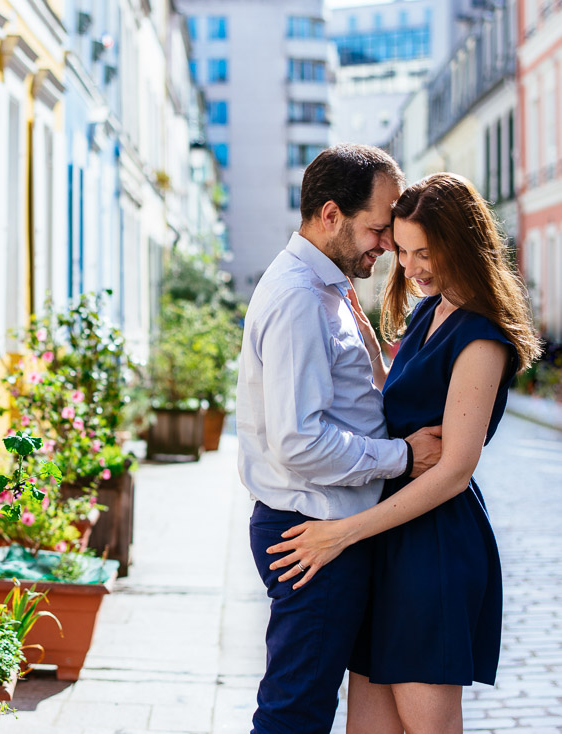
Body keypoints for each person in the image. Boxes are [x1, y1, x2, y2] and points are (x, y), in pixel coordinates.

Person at [266, 172, 541, 733]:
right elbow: (404, 402)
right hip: (388, 542)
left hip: (432, 548)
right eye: (405, 251)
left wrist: (343, 532)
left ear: (463, 244)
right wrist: (364, 336)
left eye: (426, 252)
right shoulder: (427, 314)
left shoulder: (481, 336)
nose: (412, 267)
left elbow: (454, 472)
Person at [235, 144, 444, 734]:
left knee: (302, 707)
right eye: (378, 230)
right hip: (313, 533)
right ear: (330, 215)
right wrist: (401, 456)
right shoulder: (301, 296)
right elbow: (299, 440)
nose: (387, 247)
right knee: (295, 714)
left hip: (326, 527)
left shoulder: (325, 289)